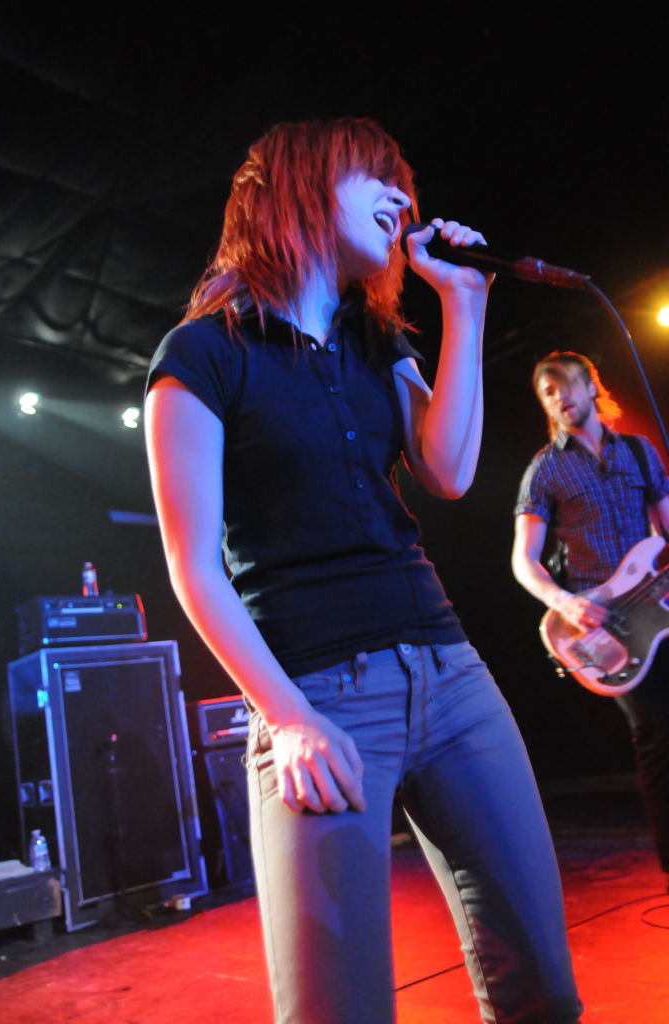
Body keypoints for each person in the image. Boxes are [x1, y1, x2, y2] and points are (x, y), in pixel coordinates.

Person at [145, 118, 582, 1024]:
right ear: (300, 185)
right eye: (374, 175)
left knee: (543, 984)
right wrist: (288, 718)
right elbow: (192, 568)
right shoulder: (200, 355)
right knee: (337, 1009)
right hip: (317, 691)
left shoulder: (374, 341)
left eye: (403, 184)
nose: (400, 197)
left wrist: (465, 303)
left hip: (452, 677)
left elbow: (449, 470)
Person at [512, 349, 669, 885]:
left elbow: (664, 529)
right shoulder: (545, 469)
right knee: (656, 731)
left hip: (657, 608)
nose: (559, 397)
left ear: (592, 387)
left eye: (567, 384)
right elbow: (524, 560)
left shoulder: (641, 453)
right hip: (602, 626)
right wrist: (564, 602)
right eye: (547, 392)